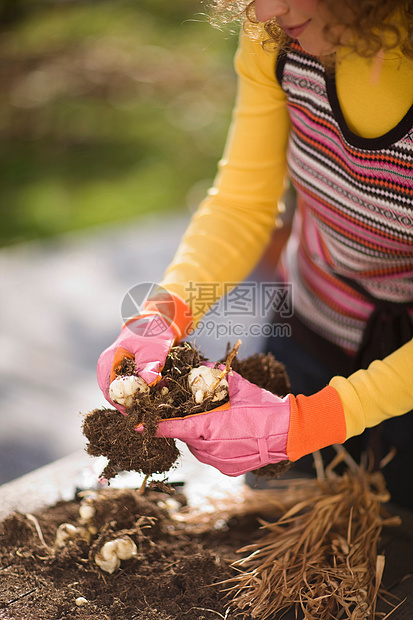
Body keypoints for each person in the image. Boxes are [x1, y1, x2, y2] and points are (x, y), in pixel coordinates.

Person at [97, 0, 413, 508]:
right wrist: (161, 315)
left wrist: (316, 420)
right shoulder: (277, 33)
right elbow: (243, 203)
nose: (264, 7)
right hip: (313, 335)